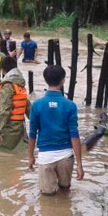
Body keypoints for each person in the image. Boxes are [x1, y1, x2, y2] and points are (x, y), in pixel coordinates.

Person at [28, 65, 83, 195]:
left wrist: (30, 156)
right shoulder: (70, 105)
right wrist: (80, 164)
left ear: (46, 81)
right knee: (65, 193)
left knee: (47, 199)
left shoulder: (37, 105)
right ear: (63, 81)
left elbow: (32, 134)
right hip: (66, 157)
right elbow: (74, 136)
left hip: (45, 157)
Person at [0, 56, 31, 151]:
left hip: (9, 128)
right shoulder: (20, 84)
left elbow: (4, 110)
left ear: (3, 70)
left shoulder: (7, 86)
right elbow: (28, 108)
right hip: (20, 128)